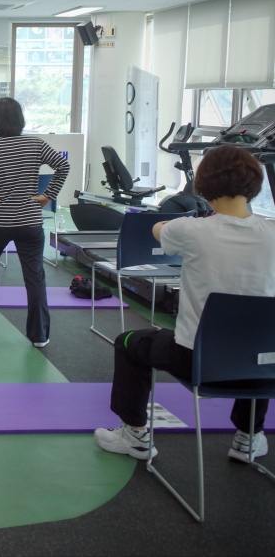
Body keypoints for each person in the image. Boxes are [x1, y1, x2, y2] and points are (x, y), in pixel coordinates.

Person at [95, 145, 275, 462]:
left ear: (203, 185)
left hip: (198, 362)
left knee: (128, 342)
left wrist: (173, 225)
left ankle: (135, 435)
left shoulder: (190, 230)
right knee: (256, 341)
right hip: (266, 368)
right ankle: (249, 437)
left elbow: (157, 229)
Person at [0, 97, 69, 348]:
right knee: (35, 277)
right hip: (29, 220)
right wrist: (46, 196)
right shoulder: (35, 144)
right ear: (19, 119)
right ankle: (39, 335)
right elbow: (63, 166)